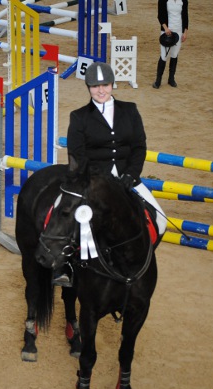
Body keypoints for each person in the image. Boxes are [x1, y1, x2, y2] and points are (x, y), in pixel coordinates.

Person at [54, 62, 167, 286]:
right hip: (93, 182)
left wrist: (131, 175)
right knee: (63, 215)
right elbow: (77, 156)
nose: (101, 90)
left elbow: (139, 147)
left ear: (112, 84)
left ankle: (140, 259)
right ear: (88, 88)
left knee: (161, 221)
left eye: (105, 85)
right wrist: (98, 182)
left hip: (127, 179)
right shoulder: (79, 117)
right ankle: (65, 267)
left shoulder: (130, 110)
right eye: (95, 86)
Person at [152, 0, 189, 88]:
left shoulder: (183, 1)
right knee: (164, 55)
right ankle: (158, 80)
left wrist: (185, 32)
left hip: (178, 31)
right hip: (167, 32)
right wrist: (166, 28)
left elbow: (185, 15)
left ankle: (171, 78)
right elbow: (160, 15)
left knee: (174, 54)